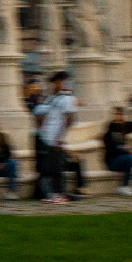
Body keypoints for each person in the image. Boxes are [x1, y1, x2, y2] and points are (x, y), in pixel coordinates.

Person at [32, 71, 77, 204]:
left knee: (55, 168)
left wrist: (59, 138)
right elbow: (38, 114)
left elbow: (69, 119)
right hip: (44, 139)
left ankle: (57, 194)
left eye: (57, 81)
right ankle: (49, 194)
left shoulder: (67, 99)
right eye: (54, 82)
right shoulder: (51, 99)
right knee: (46, 168)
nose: (55, 84)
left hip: (54, 140)